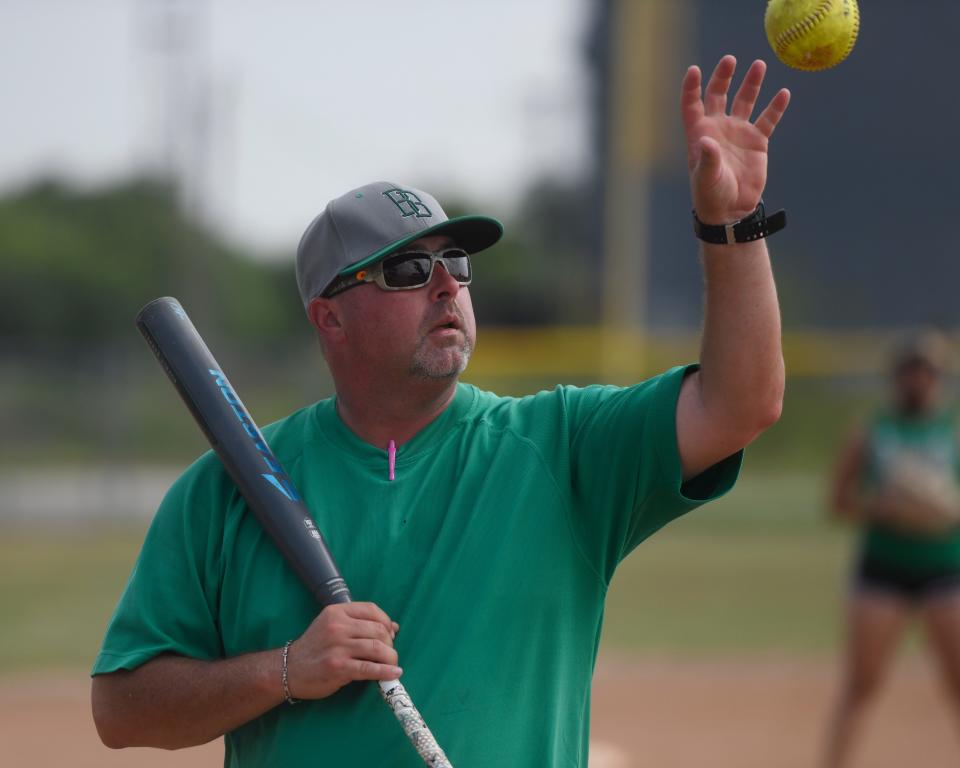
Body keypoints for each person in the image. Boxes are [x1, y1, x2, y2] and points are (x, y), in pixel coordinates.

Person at [91, 55, 790, 766]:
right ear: (329, 319)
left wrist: (731, 225)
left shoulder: (562, 446)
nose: (445, 287)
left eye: (455, 263)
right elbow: (122, 709)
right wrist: (288, 669)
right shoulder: (228, 487)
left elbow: (742, 404)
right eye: (406, 270)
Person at [823, 331, 960, 768]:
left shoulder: (953, 431)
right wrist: (881, 508)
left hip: (946, 569)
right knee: (862, 684)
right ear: (897, 376)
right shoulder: (873, 430)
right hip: (883, 569)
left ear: (939, 377)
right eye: (910, 369)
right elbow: (838, 502)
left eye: (928, 371)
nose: (918, 378)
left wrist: (942, 509)